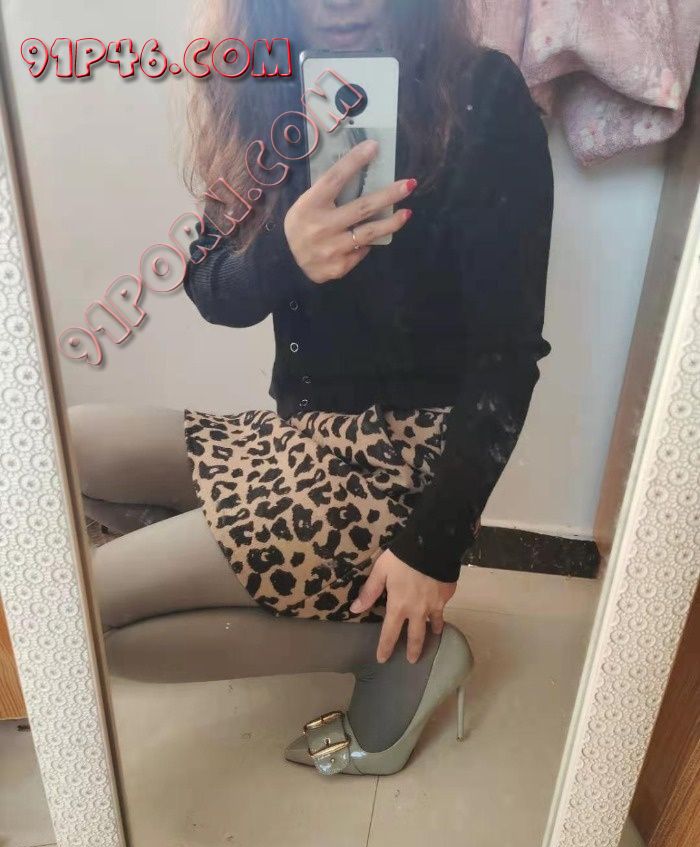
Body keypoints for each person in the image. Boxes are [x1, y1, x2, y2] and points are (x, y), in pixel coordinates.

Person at [70, 0, 553, 776]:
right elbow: (211, 288)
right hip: (304, 435)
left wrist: (433, 549)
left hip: (405, 456)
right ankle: (242, 571)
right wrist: (283, 257)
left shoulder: (481, 93)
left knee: (89, 613)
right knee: (63, 446)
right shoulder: (258, 89)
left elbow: (508, 356)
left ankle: (382, 653)